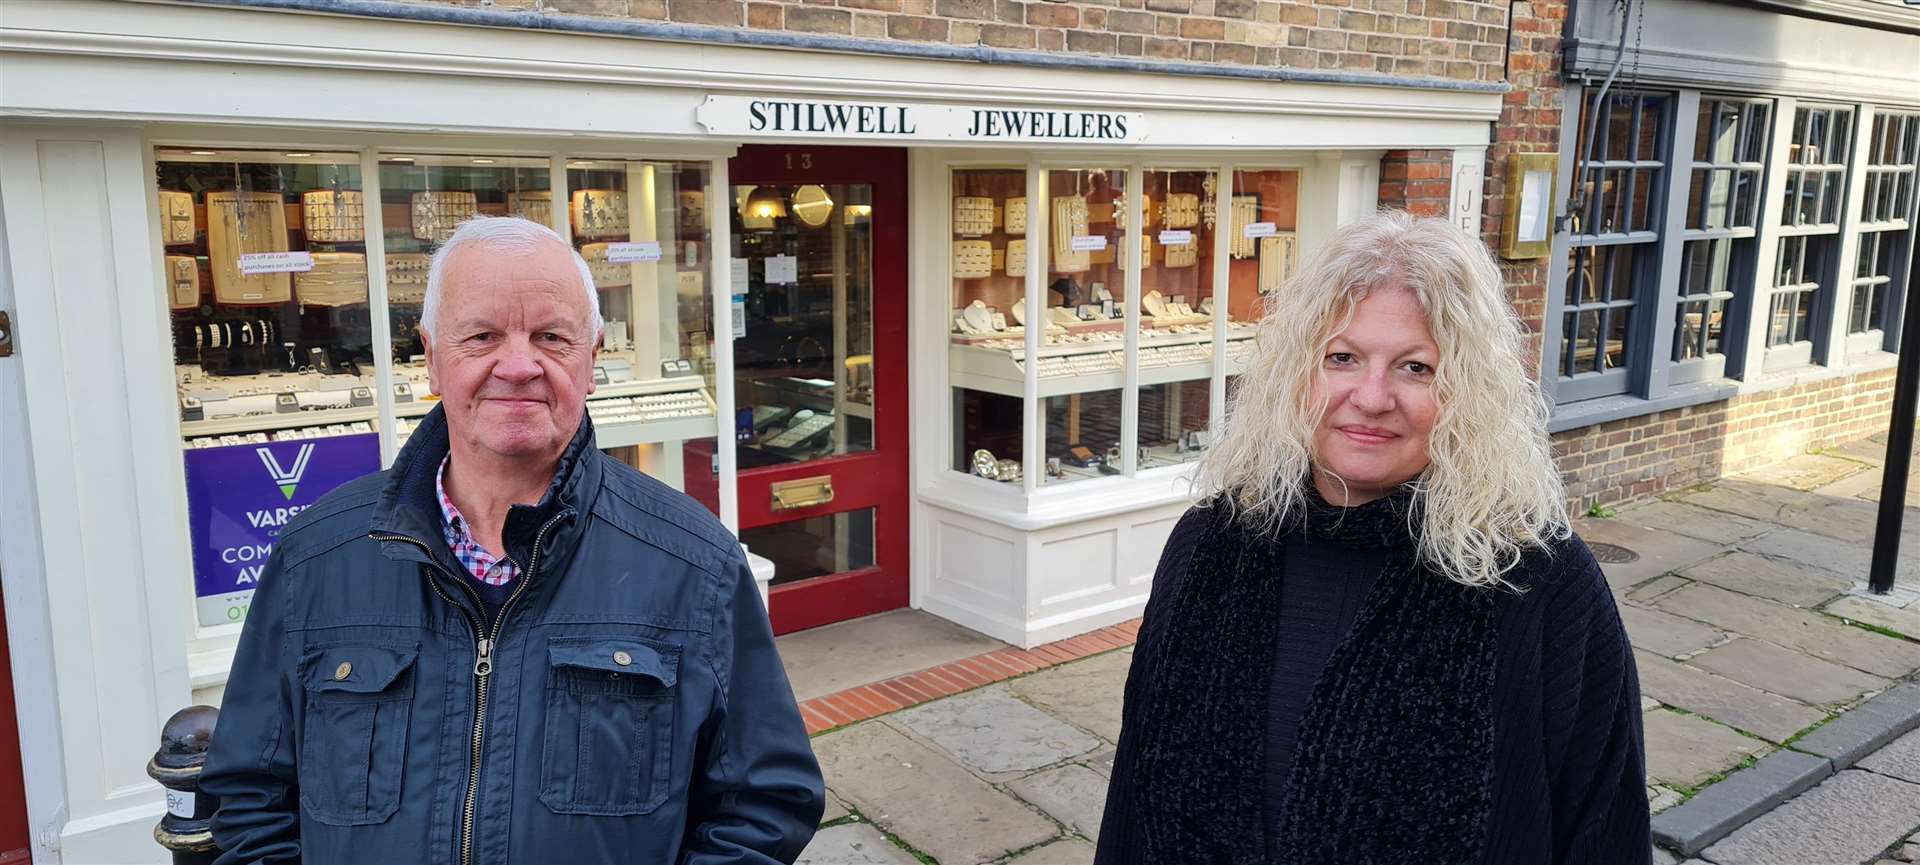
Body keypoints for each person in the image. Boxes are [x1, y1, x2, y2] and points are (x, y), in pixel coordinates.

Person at [201, 216, 824, 864]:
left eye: (551, 336)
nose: (519, 365)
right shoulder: (316, 558)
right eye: (483, 336)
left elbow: (764, 802)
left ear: (592, 356)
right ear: (433, 356)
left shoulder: (696, 564)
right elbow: (250, 797)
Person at [1094, 210, 1649, 864]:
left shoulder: (1535, 579)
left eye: (1415, 367)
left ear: (1466, 391)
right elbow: (1134, 791)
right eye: (1343, 357)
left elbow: (1603, 828)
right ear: (1298, 372)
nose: (1372, 395)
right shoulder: (1211, 543)